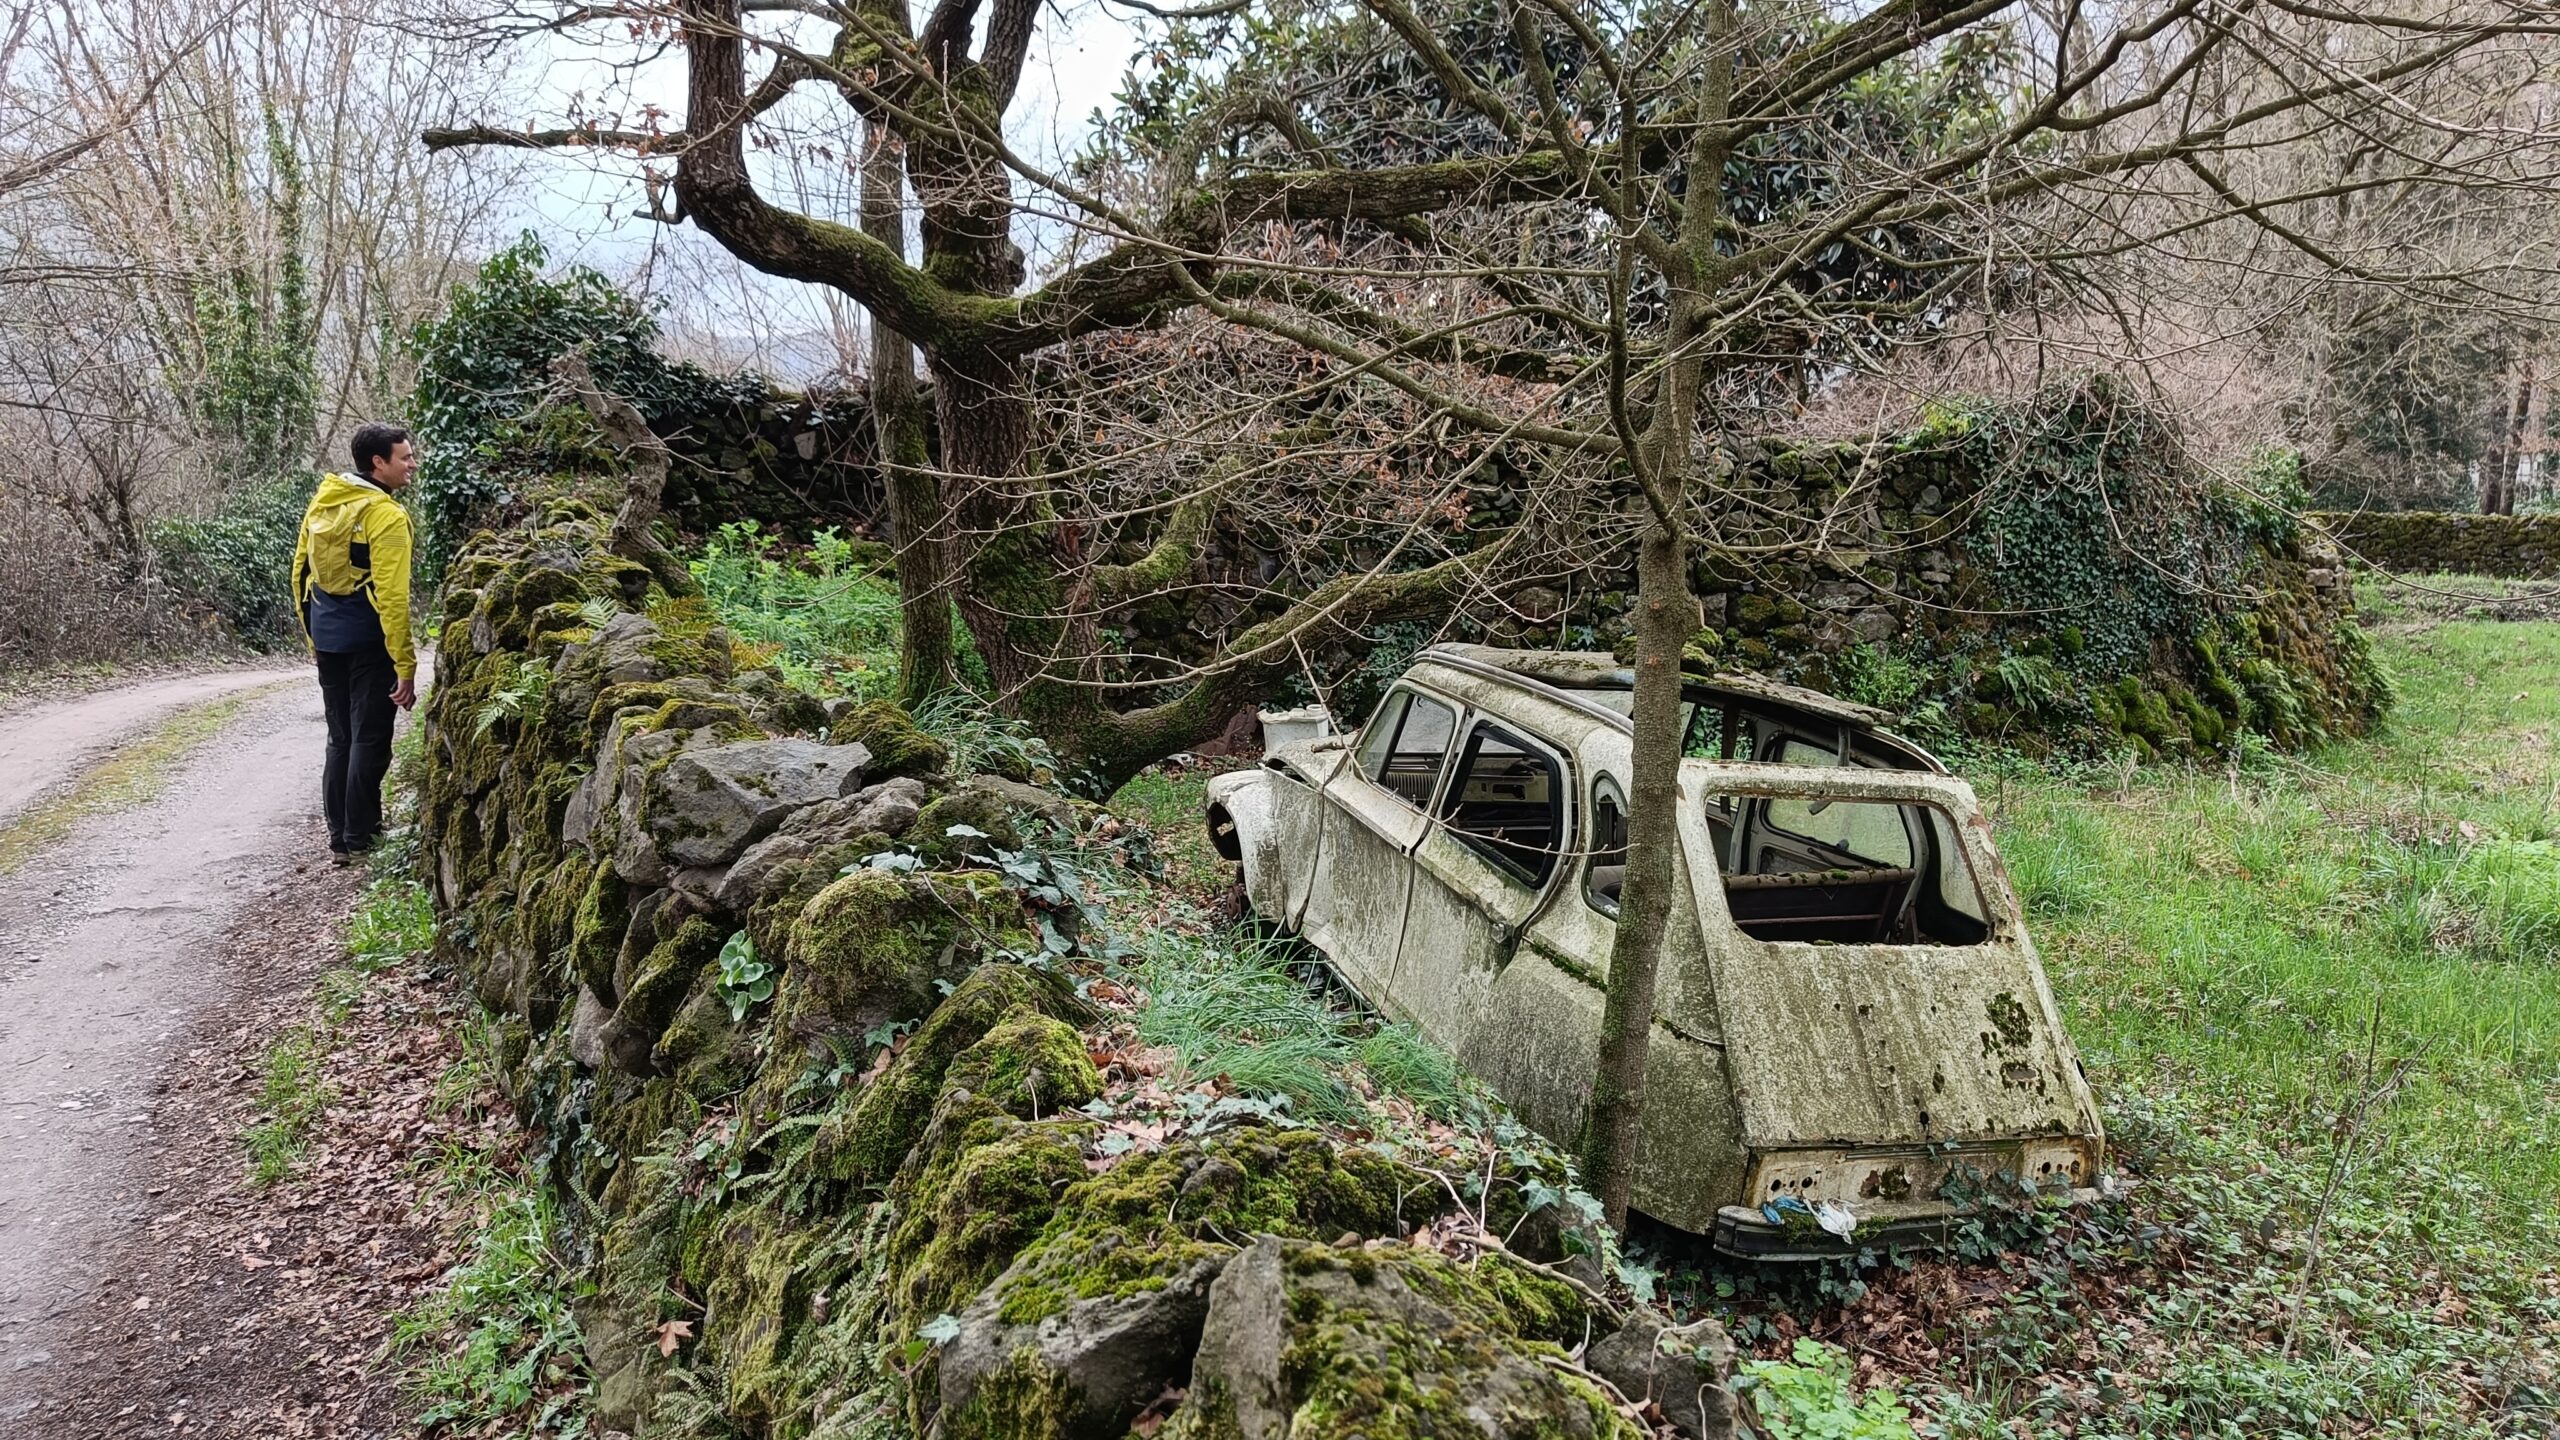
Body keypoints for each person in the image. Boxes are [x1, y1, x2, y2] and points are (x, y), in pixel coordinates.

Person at [291, 423, 418, 864]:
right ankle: (362, 836)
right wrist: (405, 663)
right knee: (370, 737)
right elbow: (393, 595)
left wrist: (312, 636)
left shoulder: (324, 501)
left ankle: (340, 837)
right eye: (405, 457)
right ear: (378, 463)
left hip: (327, 635)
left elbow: (300, 575)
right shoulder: (384, 515)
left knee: (339, 737)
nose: (412, 464)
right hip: (370, 640)